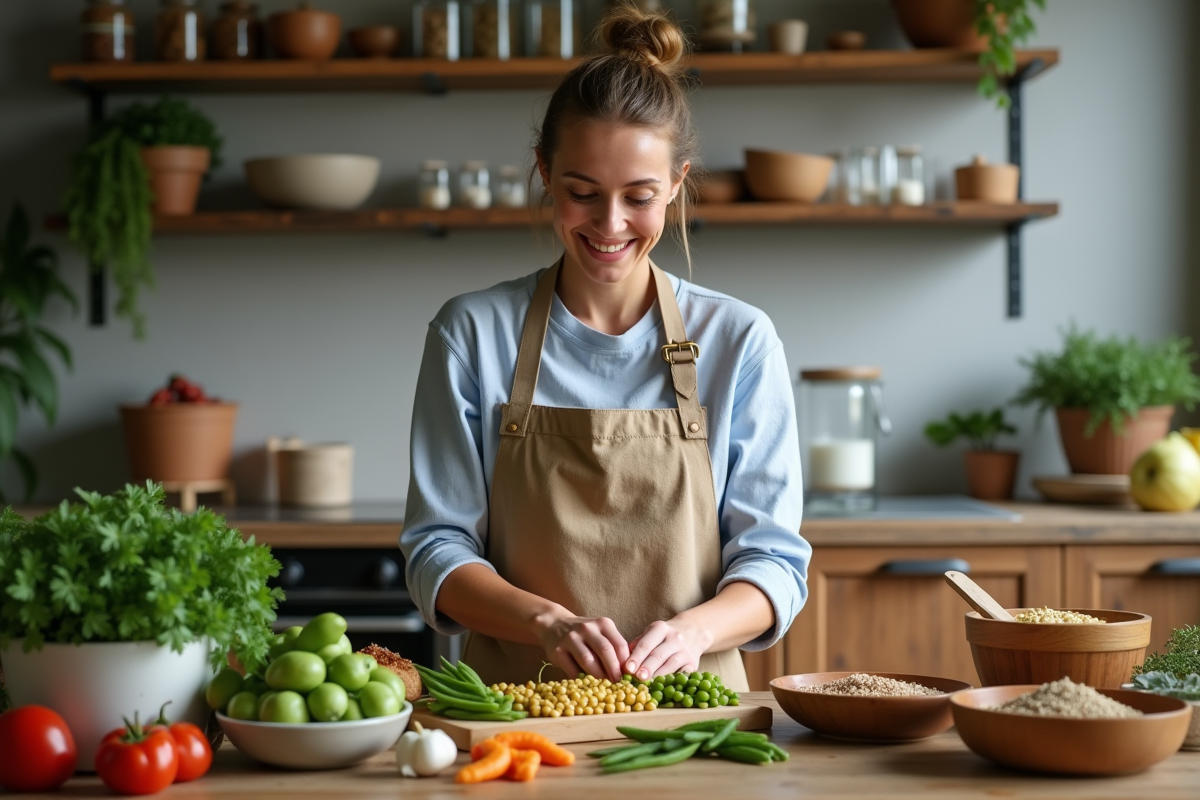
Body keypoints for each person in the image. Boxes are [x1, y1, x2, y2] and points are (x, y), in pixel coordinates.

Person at [400, 5, 810, 692]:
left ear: (678, 184)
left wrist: (695, 631)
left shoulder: (738, 340)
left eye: (639, 197)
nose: (610, 224)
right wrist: (544, 623)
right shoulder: (471, 333)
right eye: (582, 193)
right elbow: (435, 553)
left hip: (695, 720)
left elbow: (774, 563)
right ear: (543, 174)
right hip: (516, 722)